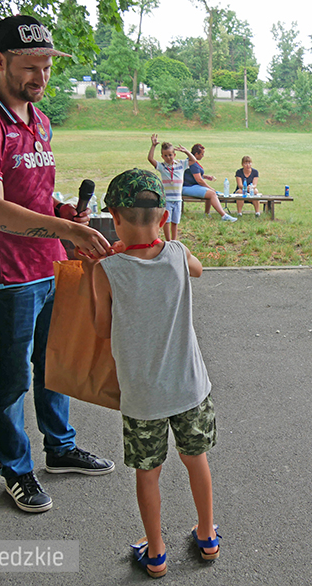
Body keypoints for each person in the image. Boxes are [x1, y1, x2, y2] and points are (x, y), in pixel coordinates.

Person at [0, 14, 115, 514]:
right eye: (29, 67)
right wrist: (67, 230)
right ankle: (15, 471)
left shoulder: (40, 119)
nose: (41, 77)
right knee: (11, 379)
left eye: (46, 66)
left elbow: (36, 197)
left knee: (54, 363)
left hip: (48, 264)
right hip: (3, 275)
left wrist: (64, 214)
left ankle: (60, 449)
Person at [82, 169, 219, 578]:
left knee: (148, 472)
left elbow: (100, 328)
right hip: (190, 387)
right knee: (197, 460)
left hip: (142, 396)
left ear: (114, 217)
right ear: (162, 215)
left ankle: (156, 553)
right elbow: (198, 269)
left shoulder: (107, 271)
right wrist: (171, 245)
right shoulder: (177, 253)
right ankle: (207, 536)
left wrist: (98, 269)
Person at [147, 136, 197, 240]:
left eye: (170, 155)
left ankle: (174, 241)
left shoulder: (181, 164)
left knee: (175, 222)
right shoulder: (162, 166)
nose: (168, 157)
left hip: (178, 199)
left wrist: (186, 151)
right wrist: (153, 146)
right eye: (166, 155)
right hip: (167, 200)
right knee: (167, 221)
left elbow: (194, 160)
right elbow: (150, 159)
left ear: (174, 155)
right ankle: (168, 241)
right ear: (162, 156)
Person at [182, 143, 237, 222]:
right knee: (211, 193)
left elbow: (192, 175)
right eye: (202, 154)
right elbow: (199, 180)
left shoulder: (192, 162)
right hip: (188, 187)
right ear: (196, 154)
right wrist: (210, 188)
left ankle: (207, 214)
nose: (203, 156)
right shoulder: (192, 163)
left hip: (193, 186)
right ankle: (224, 216)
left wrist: (205, 176)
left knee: (211, 193)